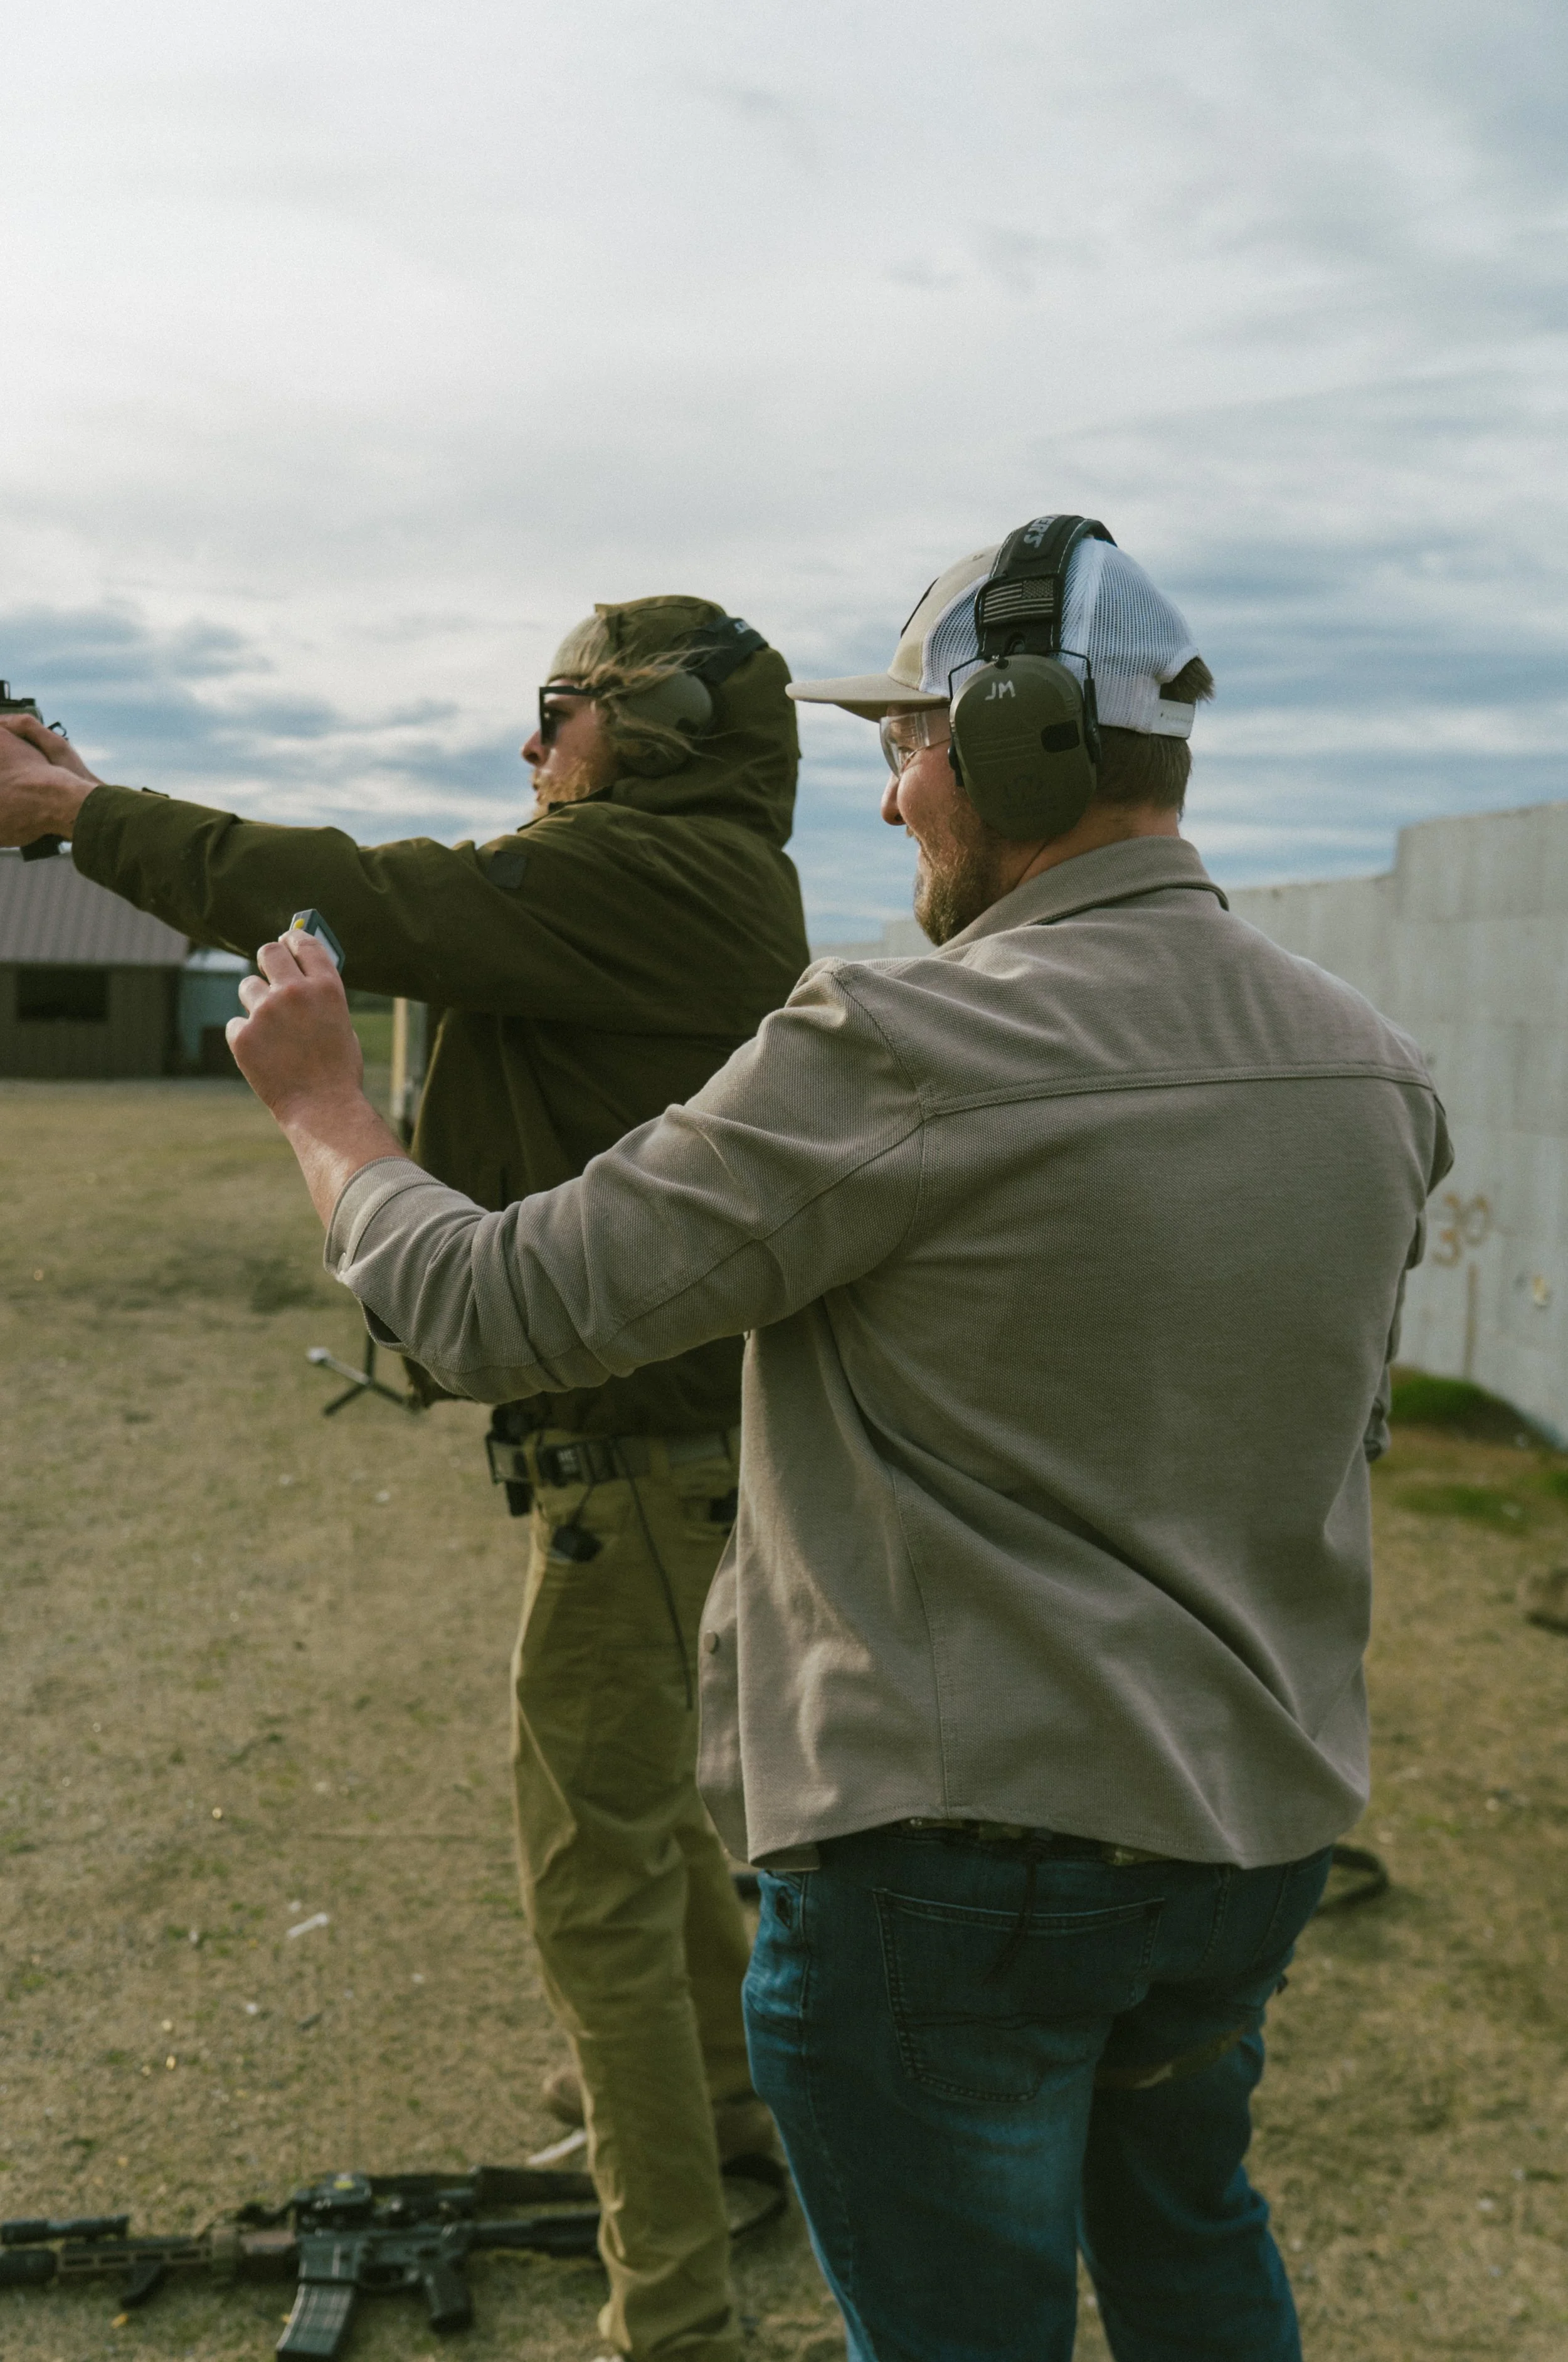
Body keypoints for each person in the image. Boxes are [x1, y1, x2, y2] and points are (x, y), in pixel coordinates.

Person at [183, 516, 1448, 2362]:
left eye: (905, 746)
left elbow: (496, 1308)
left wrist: (329, 1121)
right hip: (1240, 1846)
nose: (885, 805)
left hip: (948, 1876)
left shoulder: (898, 1039)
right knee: (1189, 2246)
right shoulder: (1374, 1067)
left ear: (1012, 742)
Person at [0, 596, 809, 2362]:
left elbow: (354, 897)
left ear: (652, 725)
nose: (531, 750)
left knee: (590, 1873)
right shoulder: (674, 875)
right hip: (658, 1447)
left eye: (558, 713)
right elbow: (388, 902)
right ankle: (732, 2117)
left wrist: (71, 816)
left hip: (642, 1456)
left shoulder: (650, 874)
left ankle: (671, 2310)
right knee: (649, 1818)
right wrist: (85, 795)